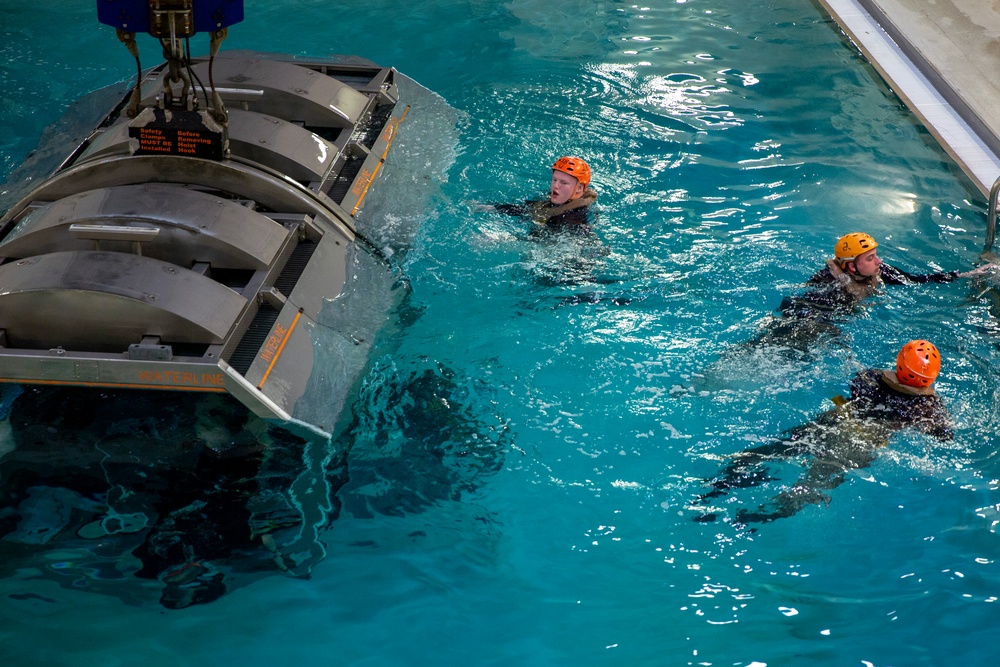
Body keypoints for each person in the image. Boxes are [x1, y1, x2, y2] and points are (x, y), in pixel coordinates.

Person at [692, 340, 953, 525]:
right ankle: (755, 518)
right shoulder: (928, 406)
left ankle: (714, 488)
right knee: (809, 487)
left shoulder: (870, 376)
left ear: (899, 364)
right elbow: (943, 436)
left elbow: (845, 390)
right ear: (931, 377)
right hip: (859, 443)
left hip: (832, 420)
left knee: (777, 449)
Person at [746, 232, 995, 353]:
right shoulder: (827, 281)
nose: (879, 261)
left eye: (876, 255)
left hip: (826, 323)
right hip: (808, 321)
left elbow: (914, 280)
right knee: (774, 347)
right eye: (870, 258)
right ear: (852, 266)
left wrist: (964, 275)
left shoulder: (879, 271)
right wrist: (833, 331)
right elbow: (800, 303)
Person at [492, 156, 598, 234]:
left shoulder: (575, 218)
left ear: (579, 188)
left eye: (563, 183)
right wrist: (492, 208)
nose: (555, 186)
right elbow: (524, 209)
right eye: (554, 180)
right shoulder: (548, 200)